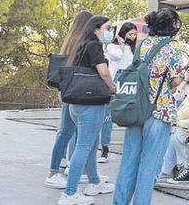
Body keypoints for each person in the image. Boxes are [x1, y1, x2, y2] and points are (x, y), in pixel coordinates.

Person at [112, 8, 189, 205]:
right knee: (149, 166)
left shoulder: (143, 44)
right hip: (159, 110)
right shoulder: (174, 48)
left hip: (136, 107)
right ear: (173, 26)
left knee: (129, 161)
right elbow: (176, 80)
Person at [58, 15, 117, 205]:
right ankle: (69, 193)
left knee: (91, 145)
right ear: (96, 29)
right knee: (84, 147)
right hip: (91, 103)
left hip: (77, 102)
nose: (111, 32)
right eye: (108, 28)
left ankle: (94, 181)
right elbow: (104, 72)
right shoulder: (94, 46)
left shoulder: (81, 45)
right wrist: (112, 87)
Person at [45, 11, 94, 189]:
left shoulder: (70, 39)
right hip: (74, 90)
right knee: (69, 133)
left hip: (66, 89)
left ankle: (58, 170)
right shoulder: (82, 42)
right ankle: (55, 172)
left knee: (66, 132)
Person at [97, 22, 137, 163]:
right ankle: (105, 148)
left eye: (134, 34)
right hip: (117, 78)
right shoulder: (111, 46)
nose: (132, 37)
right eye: (130, 33)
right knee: (108, 116)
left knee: (130, 113)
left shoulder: (135, 49)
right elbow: (118, 56)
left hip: (130, 80)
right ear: (123, 33)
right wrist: (121, 45)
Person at [158, 62, 189, 180]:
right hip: (178, 120)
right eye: (188, 71)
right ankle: (161, 169)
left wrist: (175, 122)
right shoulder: (183, 87)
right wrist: (184, 83)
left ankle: (165, 171)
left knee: (174, 134)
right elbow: (172, 100)